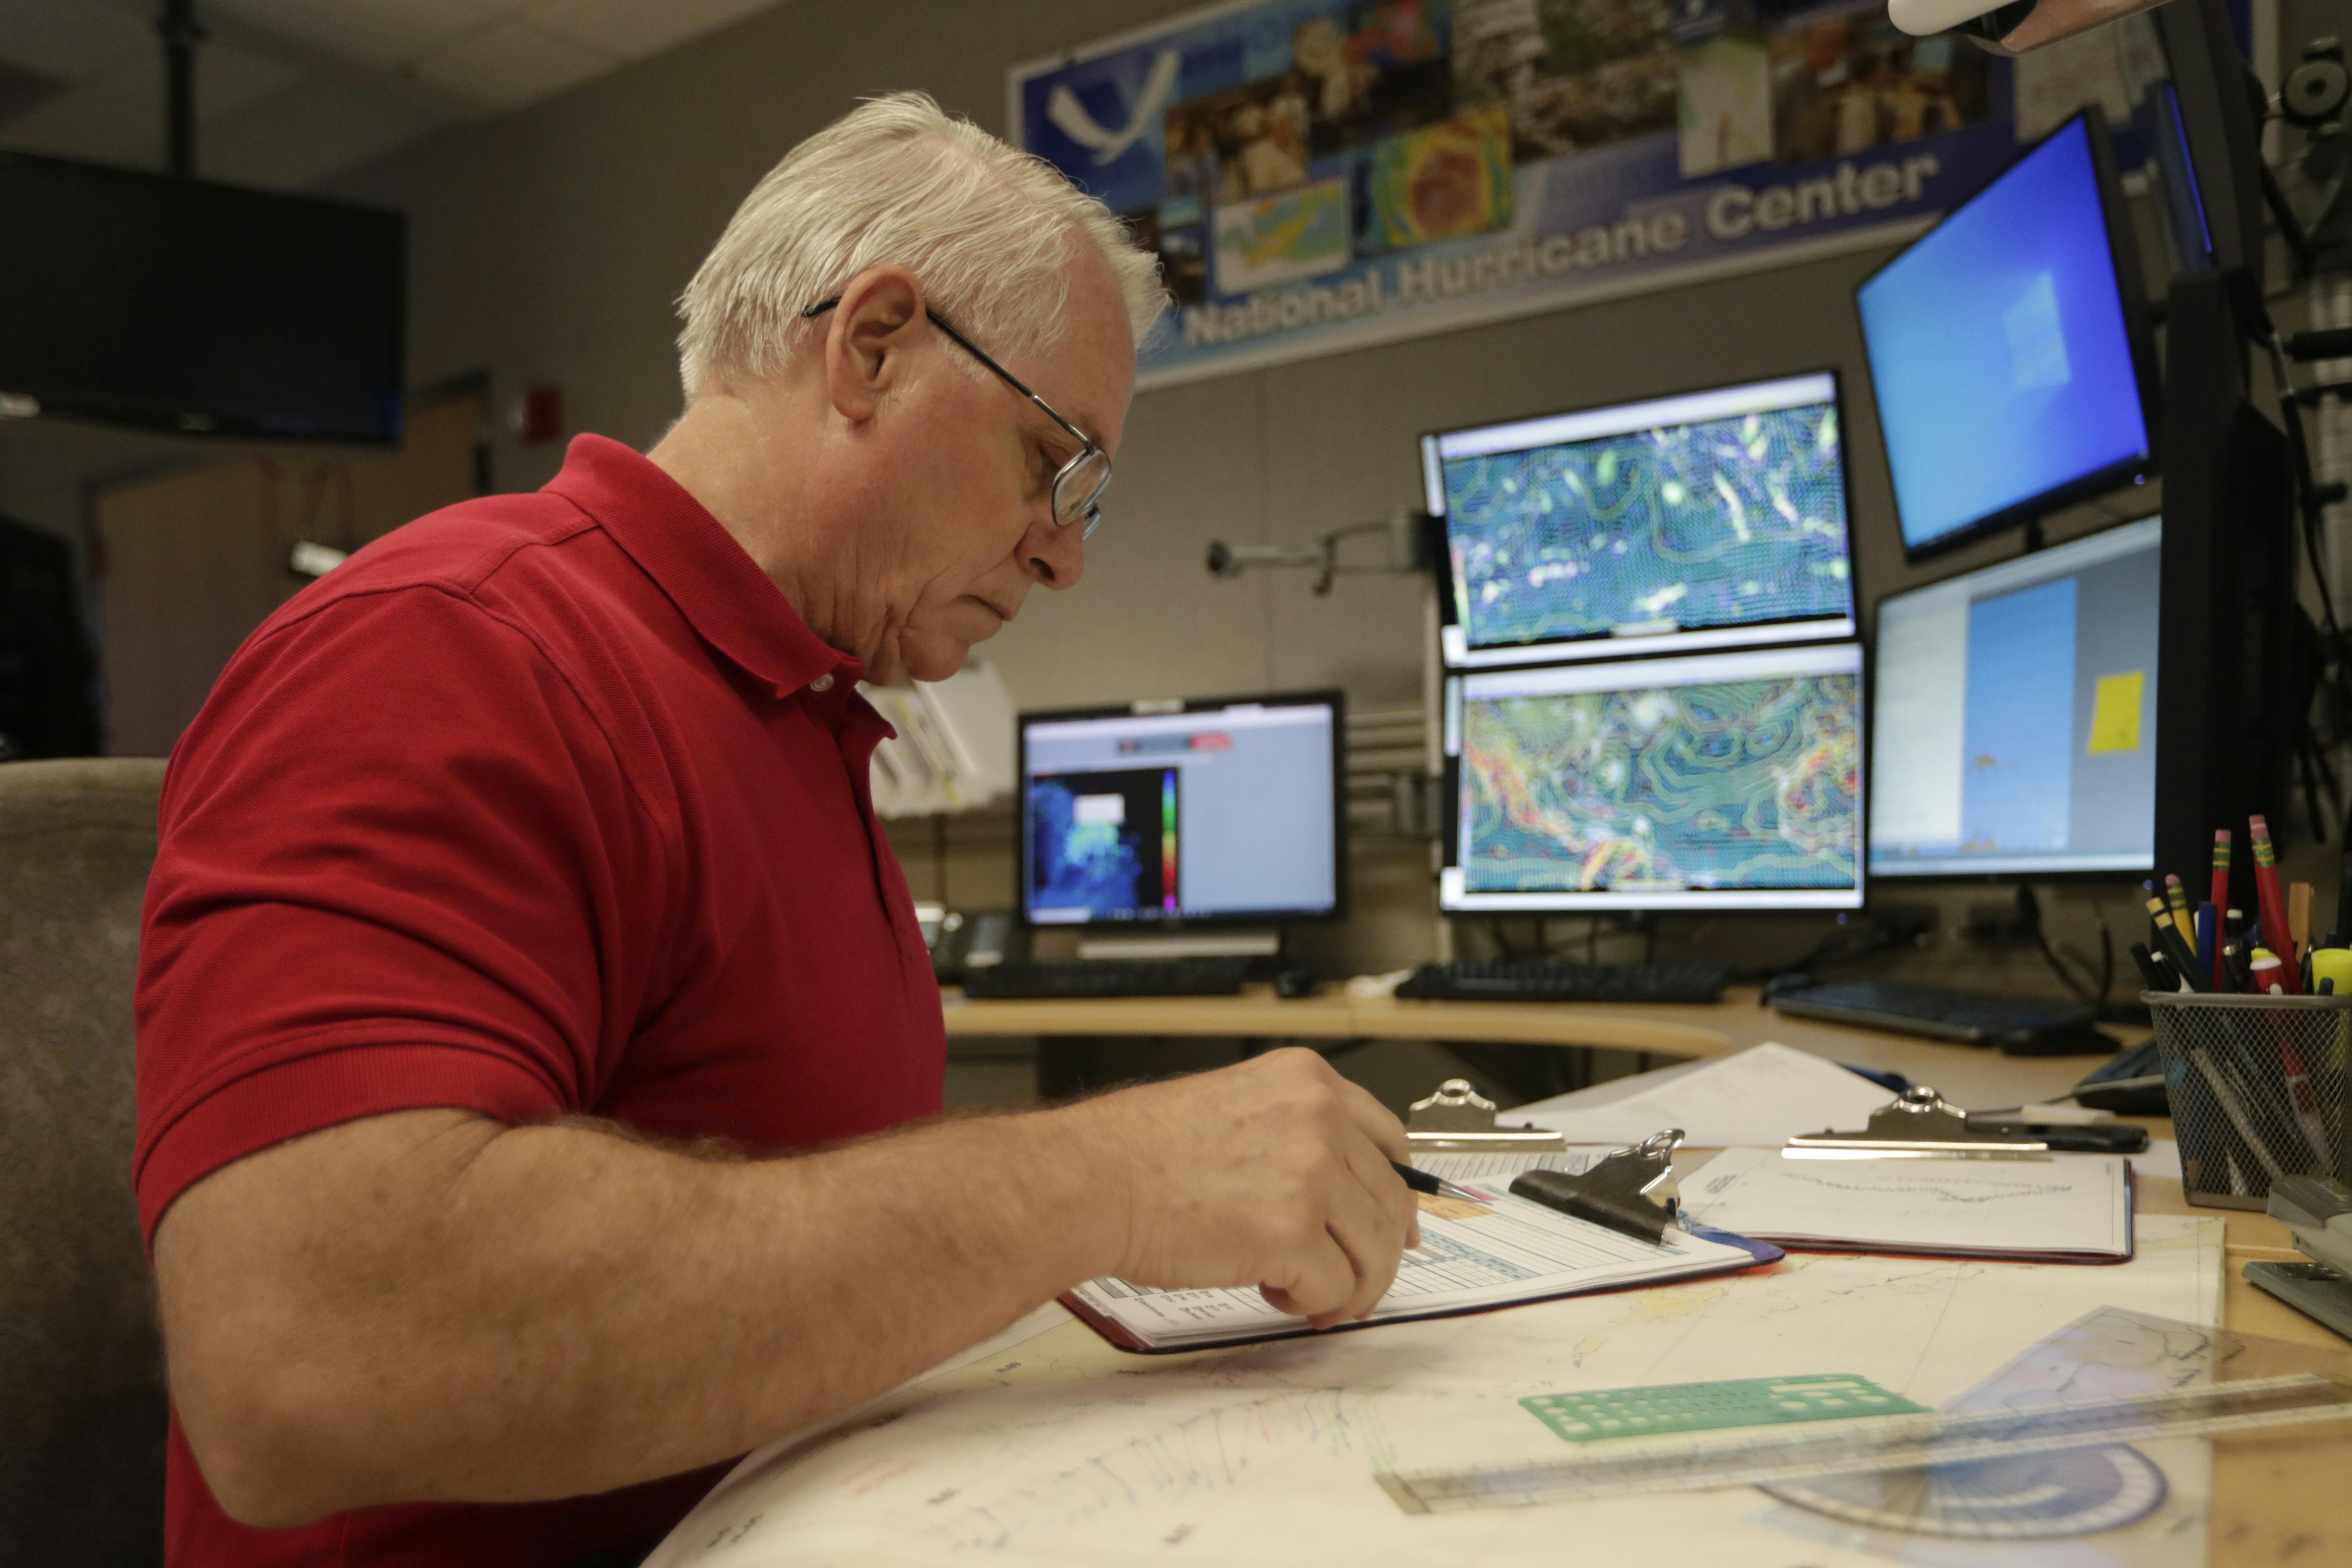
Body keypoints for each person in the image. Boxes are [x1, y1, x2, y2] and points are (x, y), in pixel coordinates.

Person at [136, 92, 1418, 1568]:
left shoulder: (798, 702)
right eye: (1054, 465)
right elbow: (304, 1355)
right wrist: (1106, 1181)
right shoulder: (449, 648)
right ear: (871, 344)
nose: (1064, 553)